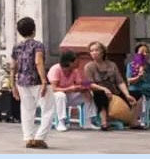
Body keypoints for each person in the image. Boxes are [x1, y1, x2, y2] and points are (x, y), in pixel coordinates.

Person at [10, 17, 54, 148]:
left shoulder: (16, 46)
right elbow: (38, 62)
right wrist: (44, 81)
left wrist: (12, 85)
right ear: (34, 30)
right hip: (37, 80)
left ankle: (28, 138)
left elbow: (13, 66)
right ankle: (40, 138)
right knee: (48, 109)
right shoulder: (38, 45)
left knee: (27, 110)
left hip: (22, 81)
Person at [84, 41, 144, 130]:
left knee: (137, 95)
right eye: (92, 51)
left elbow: (120, 82)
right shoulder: (89, 66)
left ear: (102, 52)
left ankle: (133, 121)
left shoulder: (112, 65)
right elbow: (89, 84)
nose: (94, 53)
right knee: (99, 95)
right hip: (99, 91)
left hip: (114, 92)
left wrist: (127, 95)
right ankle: (104, 122)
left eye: (96, 50)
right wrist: (104, 89)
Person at [47, 50, 99, 131]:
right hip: (53, 97)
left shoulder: (75, 70)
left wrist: (91, 85)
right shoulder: (56, 69)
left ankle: (87, 122)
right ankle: (61, 122)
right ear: (69, 62)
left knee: (88, 94)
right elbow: (54, 88)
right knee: (61, 95)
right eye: (76, 61)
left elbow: (81, 82)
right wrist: (69, 89)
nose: (78, 63)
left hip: (69, 95)